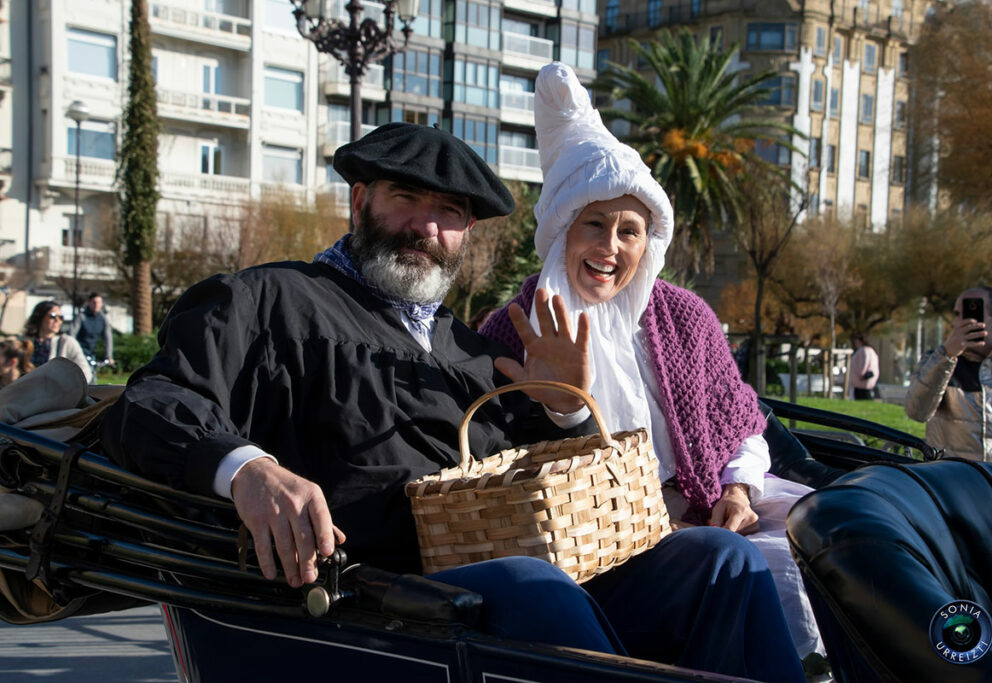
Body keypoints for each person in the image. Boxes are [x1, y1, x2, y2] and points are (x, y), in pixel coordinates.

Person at [101, 122, 804, 682]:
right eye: (407, 198)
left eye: (450, 212)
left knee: (721, 560)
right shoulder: (268, 299)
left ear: (466, 234)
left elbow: (550, 482)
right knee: (538, 586)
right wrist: (247, 469)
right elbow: (156, 399)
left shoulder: (469, 348)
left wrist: (564, 404)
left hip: (506, 585)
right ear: (360, 201)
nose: (426, 226)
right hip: (366, 596)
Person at [480, 63, 823, 667]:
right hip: (600, 547)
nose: (611, 248)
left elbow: (740, 422)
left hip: (710, 506)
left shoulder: (683, 315)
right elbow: (503, 472)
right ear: (562, 229)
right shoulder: (512, 326)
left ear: (650, 242)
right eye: (595, 224)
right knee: (747, 568)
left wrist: (738, 489)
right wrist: (562, 404)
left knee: (838, 538)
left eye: (630, 231)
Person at [905, 286, 992, 463]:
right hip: (952, 484)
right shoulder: (936, 362)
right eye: (957, 314)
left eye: (970, 314)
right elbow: (917, 412)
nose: (960, 322)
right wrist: (947, 355)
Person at [23, 301, 92, 382]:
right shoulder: (24, 342)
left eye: (61, 317)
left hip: (56, 392)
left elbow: (85, 373)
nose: (57, 320)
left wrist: (66, 388)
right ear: (40, 317)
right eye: (53, 316)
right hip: (27, 391)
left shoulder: (67, 342)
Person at [70, 292, 114, 366]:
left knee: (92, 374)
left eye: (99, 302)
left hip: (91, 354)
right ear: (89, 303)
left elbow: (107, 339)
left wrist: (109, 356)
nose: (97, 305)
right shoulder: (81, 317)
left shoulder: (103, 319)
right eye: (94, 302)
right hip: (79, 353)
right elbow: (72, 334)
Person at [848, 336, 879, 400]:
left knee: (860, 398)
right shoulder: (871, 350)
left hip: (861, 381)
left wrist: (861, 374)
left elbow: (864, 363)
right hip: (868, 380)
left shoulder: (863, 350)